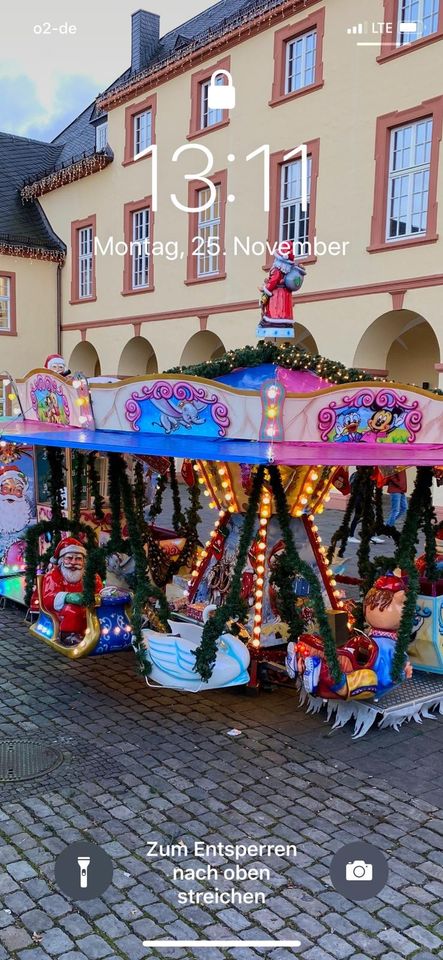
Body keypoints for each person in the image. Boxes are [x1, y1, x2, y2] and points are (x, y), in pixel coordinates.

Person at [42, 537, 103, 646]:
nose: (74, 562)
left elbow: (99, 591)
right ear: (61, 560)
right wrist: (68, 597)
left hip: (88, 605)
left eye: (78, 559)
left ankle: (99, 632)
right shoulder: (53, 575)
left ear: (83, 561)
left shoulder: (91, 575)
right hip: (61, 609)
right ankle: (68, 634)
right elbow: (48, 598)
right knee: (72, 610)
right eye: (69, 558)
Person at [348, 471, 384, 545]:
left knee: (370, 516)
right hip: (360, 499)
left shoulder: (364, 475)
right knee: (359, 516)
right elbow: (361, 489)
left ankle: (371, 536)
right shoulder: (360, 475)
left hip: (362, 499)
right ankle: (351, 536)